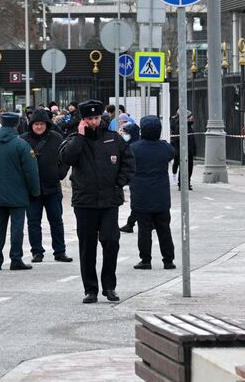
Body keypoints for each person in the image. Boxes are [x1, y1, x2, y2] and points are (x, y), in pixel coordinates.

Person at [60, 99, 134, 303]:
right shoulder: (75, 139)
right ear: (83, 120)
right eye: (89, 118)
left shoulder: (113, 138)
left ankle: (109, 286)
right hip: (85, 202)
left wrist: (118, 183)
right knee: (87, 246)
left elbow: (128, 162)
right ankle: (90, 289)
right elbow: (67, 159)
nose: (93, 122)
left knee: (111, 242)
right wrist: (81, 137)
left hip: (109, 201)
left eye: (96, 118)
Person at [0, 112, 40, 270]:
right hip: (18, 195)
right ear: (16, 125)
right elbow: (31, 172)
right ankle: (15, 259)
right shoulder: (22, 145)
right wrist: (35, 192)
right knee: (17, 227)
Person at [21, 109, 71, 263]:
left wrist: (60, 173)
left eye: (42, 124)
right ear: (31, 125)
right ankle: (37, 252)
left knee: (56, 220)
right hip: (32, 190)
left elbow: (65, 157)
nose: (39, 126)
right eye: (36, 124)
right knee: (33, 222)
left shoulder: (56, 138)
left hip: (52, 187)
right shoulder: (23, 140)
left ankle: (60, 251)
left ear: (47, 124)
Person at [129, 116, 176, 270]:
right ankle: (168, 260)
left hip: (141, 195)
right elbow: (172, 153)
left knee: (144, 229)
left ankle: (145, 259)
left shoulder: (134, 148)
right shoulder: (165, 148)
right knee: (164, 228)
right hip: (161, 195)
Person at [170, 110, 196, 187]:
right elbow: (177, 139)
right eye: (190, 116)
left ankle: (187, 182)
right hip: (183, 151)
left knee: (189, 168)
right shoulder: (180, 126)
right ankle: (182, 183)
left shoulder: (189, 126)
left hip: (189, 151)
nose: (192, 117)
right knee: (184, 167)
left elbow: (192, 140)